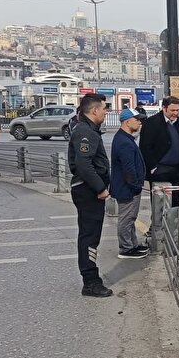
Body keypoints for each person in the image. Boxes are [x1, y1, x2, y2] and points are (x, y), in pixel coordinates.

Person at [68, 93, 113, 297]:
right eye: (104, 108)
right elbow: (84, 164)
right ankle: (91, 281)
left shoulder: (87, 129)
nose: (105, 112)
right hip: (87, 191)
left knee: (90, 235)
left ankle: (91, 278)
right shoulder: (86, 132)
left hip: (88, 189)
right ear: (94, 110)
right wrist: (100, 188)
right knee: (89, 236)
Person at [109, 108, 149, 260]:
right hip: (127, 189)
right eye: (137, 120)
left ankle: (132, 244)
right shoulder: (124, 142)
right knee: (126, 218)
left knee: (130, 218)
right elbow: (128, 169)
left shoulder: (125, 138)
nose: (139, 123)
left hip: (128, 187)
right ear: (127, 122)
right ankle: (126, 248)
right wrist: (136, 186)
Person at [140, 97, 179, 208]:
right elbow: (145, 147)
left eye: (177, 110)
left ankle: (173, 224)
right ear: (164, 108)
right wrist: (153, 167)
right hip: (159, 170)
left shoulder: (178, 123)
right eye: (172, 110)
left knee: (176, 202)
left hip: (176, 170)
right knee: (160, 203)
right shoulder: (151, 123)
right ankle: (157, 225)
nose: (175, 113)